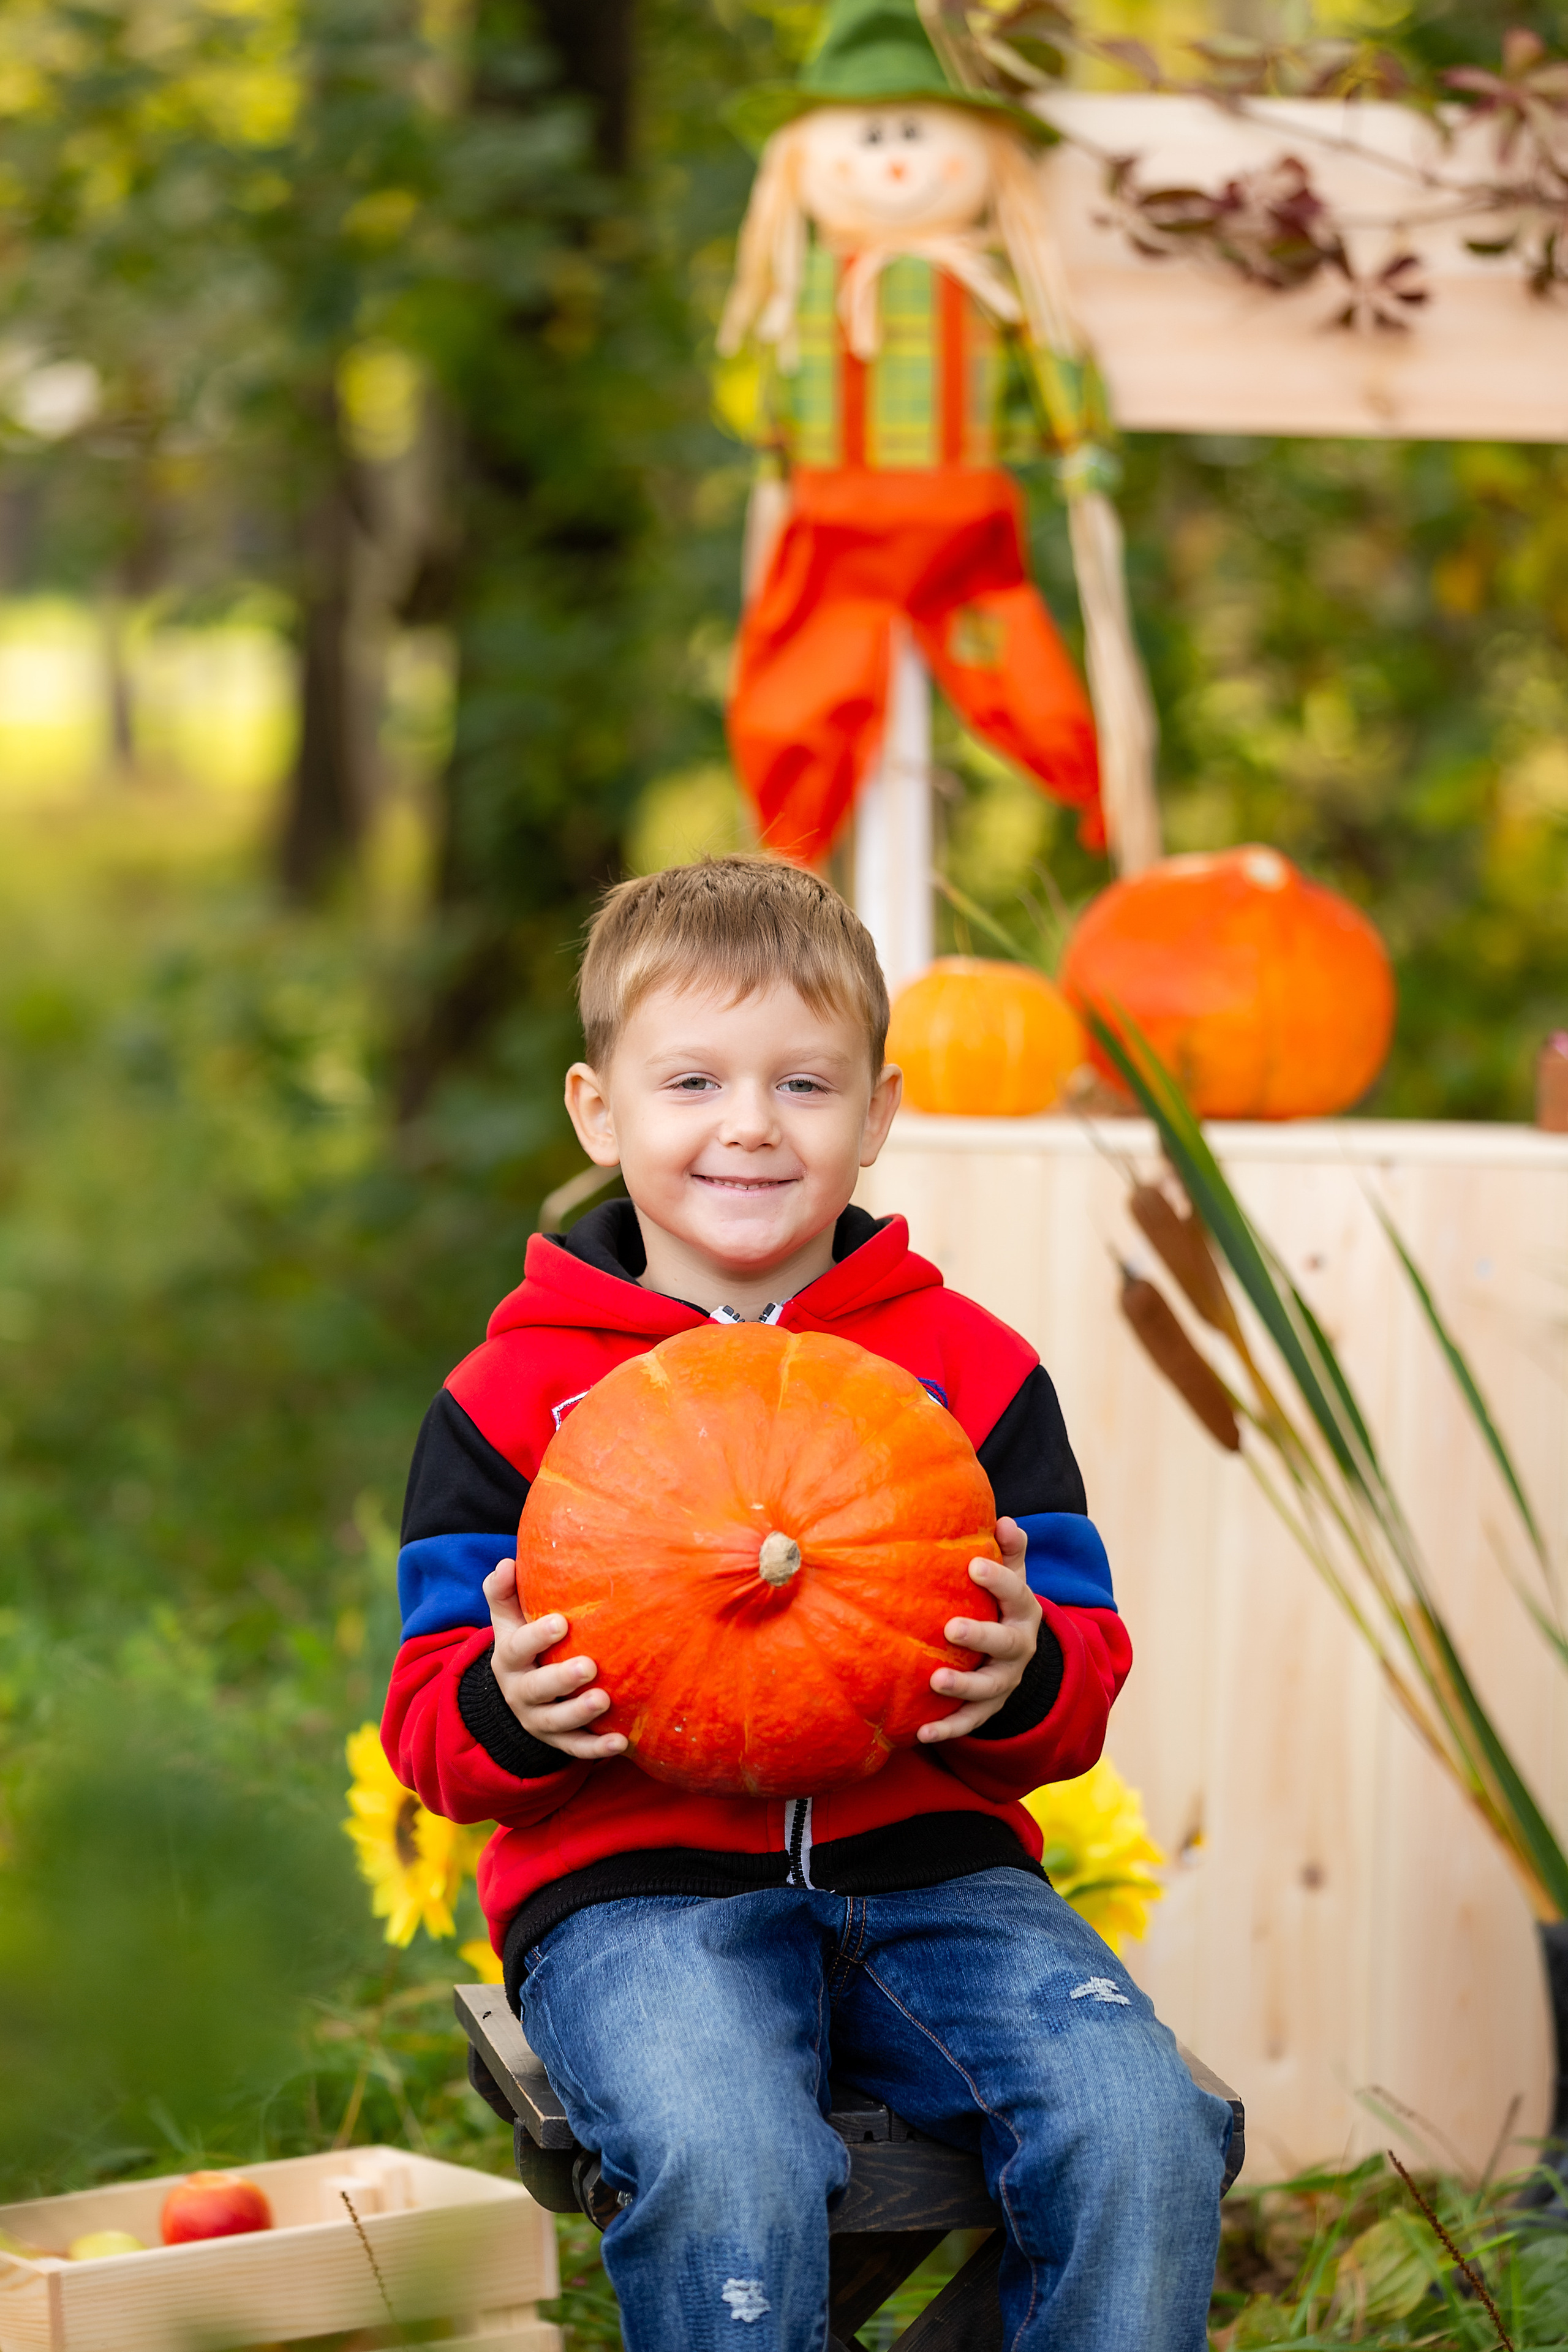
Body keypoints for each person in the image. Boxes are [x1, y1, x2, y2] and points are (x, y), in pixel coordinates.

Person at [382, 855, 1231, 2352]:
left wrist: (1024, 1675)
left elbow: (1081, 1678)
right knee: (730, 2160)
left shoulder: (967, 1374)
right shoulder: (512, 1400)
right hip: (636, 1906)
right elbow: (426, 1729)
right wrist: (506, 1706)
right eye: (693, 1080)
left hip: (941, 1886)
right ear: (599, 1111)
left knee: (1139, 2123)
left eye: (804, 1085)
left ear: (878, 1114)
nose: (749, 1127)